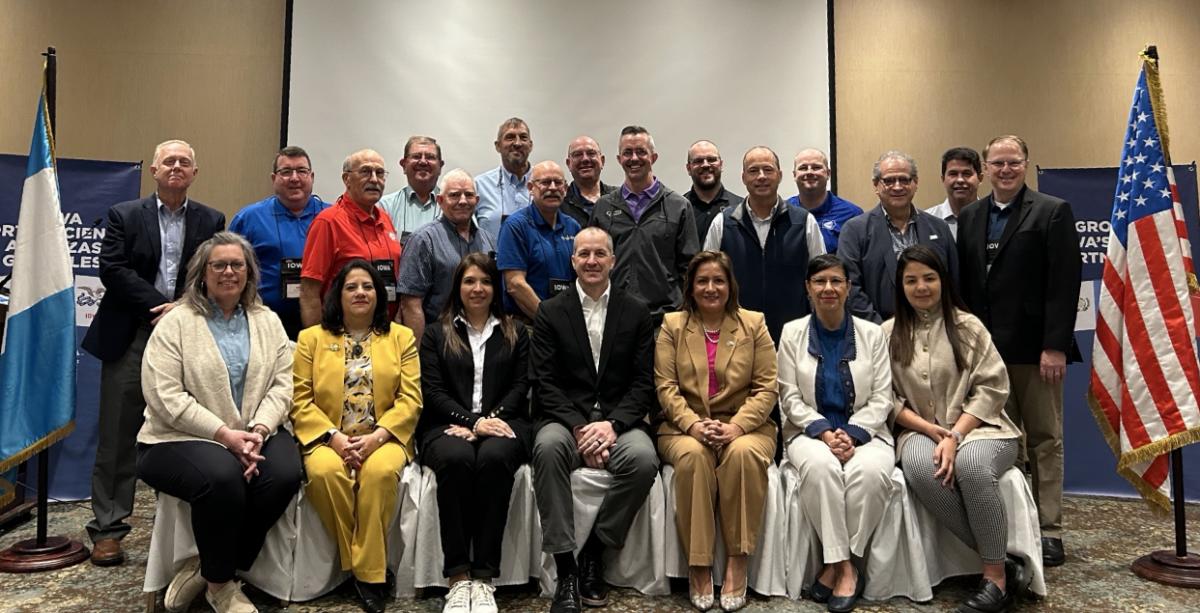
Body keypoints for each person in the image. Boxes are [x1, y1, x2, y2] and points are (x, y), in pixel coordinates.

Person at [136, 232, 301, 613]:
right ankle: (221, 587)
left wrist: (259, 430)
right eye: (219, 265)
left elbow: (282, 384)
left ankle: (208, 568)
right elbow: (165, 396)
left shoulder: (267, 320)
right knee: (223, 478)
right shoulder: (176, 322)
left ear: (249, 272)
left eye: (237, 265)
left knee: (285, 475)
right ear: (202, 272)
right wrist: (225, 435)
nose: (229, 272)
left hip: (255, 431)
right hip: (175, 437)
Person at [81, 139, 225, 566]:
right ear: (155, 171)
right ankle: (108, 529)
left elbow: (213, 270)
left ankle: (186, 534)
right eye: (169, 162)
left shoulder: (211, 218)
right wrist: (157, 306)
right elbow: (113, 268)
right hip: (132, 335)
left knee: (189, 429)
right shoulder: (124, 215)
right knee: (118, 434)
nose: (176, 167)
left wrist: (181, 307)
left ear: (194, 173)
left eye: (185, 162)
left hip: (186, 337)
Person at [956, 135, 1081, 567]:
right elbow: (967, 287)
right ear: (985, 168)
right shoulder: (970, 216)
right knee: (1000, 444)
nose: (1005, 170)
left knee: (1045, 439)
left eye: (1013, 162)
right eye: (997, 163)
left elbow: (1065, 285)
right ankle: (1012, 525)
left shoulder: (1052, 211)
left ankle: (1049, 530)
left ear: (1025, 164)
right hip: (985, 355)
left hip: (1035, 351)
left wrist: (1055, 346)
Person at [883, 245, 1026, 613]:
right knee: (919, 467)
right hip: (917, 429)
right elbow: (886, 397)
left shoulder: (968, 326)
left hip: (983, 428)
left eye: (929, 278)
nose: (921, 287)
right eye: (911, 280)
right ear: (900, 286)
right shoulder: (887, 333)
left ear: (943, 282)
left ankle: (994, 578)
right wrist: (934, 433)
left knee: (971, 466)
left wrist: (956, 435)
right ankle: (1001, 557)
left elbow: (993, 388)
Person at [530, 227, 660, 613]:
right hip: (566, 420)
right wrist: (581, 427)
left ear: (613, 261)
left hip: (620, 422)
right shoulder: (551, 312)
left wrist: (614, 425)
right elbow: (545, 382)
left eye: (599, 254)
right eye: (583, 254)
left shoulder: (636, 310)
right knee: (548, 448)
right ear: (573, 261)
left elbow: (643, 382)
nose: (591, 261)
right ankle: (567, 568)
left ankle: (595, 553)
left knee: (642, 461)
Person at [292, 260, 423, 613]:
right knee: (324, 473)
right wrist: (333, 438)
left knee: (379, 474)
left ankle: (363, 575)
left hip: (385, 437)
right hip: (327, 439)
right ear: (338, 294)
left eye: (368, 286)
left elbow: (411, 399)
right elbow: (300, 401)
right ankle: (367, 571)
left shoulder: (401, 337)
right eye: (351, 287)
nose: (360, 293)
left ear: (379, 295)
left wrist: (378, 437)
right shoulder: (311, 340)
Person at [655, 251, 778, 612]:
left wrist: (736, 426)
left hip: (746, 425)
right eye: (702, 281)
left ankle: (738, 563)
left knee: (741, 454)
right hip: (684, 426)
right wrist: (694, 424)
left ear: (730, 286)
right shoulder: (672, 325)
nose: (711, 288)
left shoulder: (753, 324)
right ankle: (699, 565)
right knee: (693, 458)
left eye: (718, 281)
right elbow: (666, 387)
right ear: (691, 288)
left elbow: (767, 388)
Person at [777, 254, 894, 613]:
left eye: (836, 281)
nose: (828, 288)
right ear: (808, 289)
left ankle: (834, 565)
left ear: (848, 287)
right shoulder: (791, 332)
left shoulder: (873, 334)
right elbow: (789, 396)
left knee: (870, 474)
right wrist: (826, 433)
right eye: (820, 282)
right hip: (808, 433)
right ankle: (847, 569)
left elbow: (882, 396)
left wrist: (853, 435)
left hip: (866, 432)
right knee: (823, 470)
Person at [417, 253, 531, 613]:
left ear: (493, 287)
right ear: (458, 287)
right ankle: (458, 576)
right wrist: (472, 422)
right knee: (456, 458)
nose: (477, 288)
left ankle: (483, 577)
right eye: (469, 281)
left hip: (506, 421)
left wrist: (488, 421)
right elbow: (432, 392)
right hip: (445, 424)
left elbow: (521, 386)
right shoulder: (437, 333)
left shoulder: (516, 331)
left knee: (495, 458)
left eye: (484, 281)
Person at [704, 146, 826, 343]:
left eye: (768, 170)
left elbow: (820, 280)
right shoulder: (723, 223)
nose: (761, 176)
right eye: (753, 171)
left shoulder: (804, 222)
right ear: (743, 178)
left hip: (794, 338)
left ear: (780, 175)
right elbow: (707, 281)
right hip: (735, 336)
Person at [591, 125, 699, 326]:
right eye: (627, 153)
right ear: (619, 159)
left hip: (665, 320)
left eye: (641, 151)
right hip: (614, 318)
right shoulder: (603, 207)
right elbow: (592, 263)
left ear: (654, 157)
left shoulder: (678, 206)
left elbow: (690, 268)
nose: (634, 158)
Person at [838, 150, 958, 323]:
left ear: (915, 182)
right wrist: (881, 331)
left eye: (904, 179)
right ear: (876, 185)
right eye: (889, 181)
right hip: (878, 335)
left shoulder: (939, 228)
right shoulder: (855, 231)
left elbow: (953, 282)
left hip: (935, 329)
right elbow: (850, 287)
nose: (897, 186)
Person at [229, 145, 329, 339]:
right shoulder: (248, 218)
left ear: (312, 177)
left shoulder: (332, 217)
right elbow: (230, 268)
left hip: (323, 323)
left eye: (301, 171)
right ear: (274, 179)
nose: (294, 178)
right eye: (286, 172)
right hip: (264, 326)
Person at [300, 149, 402, 326]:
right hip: (340, 334)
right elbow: (309, 292)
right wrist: (317, 344)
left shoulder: (385, 219)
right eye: (365, 172)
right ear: (346, 179)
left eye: (379, 173)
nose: (374, 179)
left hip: (384, 334)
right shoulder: (328, 222)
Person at [397, 168, 496, 340]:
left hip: (483, 340)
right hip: (439, 342)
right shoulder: (423, 240)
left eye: (469, 195)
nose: (463, 201)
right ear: (440, 201)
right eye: (455, 195)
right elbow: (411, 304)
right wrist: (418, 355)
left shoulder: (489, 241)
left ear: (477, 200)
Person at [497, 160, 581, 319]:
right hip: (528, 324)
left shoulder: (573, 227)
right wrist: (548, 321)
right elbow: (515, 284)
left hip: (567, 321)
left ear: (565, 189)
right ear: (530, 188)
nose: (553, 188)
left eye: (558, 183)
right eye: (545, 182)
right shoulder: (515, 226)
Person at [786, 148, 862, 252]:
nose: (809, 172)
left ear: (828, 173)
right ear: (794, 175)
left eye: (816, 167)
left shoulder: (852, 215)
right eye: (803, 168)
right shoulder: (783, 212)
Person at [378, 135, 445, 245]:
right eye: (416, 156)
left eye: (430, 157)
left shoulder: (454, 207)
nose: (423, 162)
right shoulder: (384, 207)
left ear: (440, 166)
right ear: (404, 165)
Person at [476, 118, 533, 242]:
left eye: (523, 137)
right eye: (510, 137)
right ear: (498, 146)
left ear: (530, 145)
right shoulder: (479, 186)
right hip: (493, 260)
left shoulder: (547, 184)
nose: (517, 143)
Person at [683, 140, 743, 242]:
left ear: (721, 164)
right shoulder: (679, 209)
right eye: (698, 161)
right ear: (688, 168)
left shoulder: (740, 208)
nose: (705, 165)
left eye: (711, 159)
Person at [926, 147, 982, 240]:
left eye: (967, 173)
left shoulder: (993, 218)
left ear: (980, 178)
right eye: (953, 174)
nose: (960, 180)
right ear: (943, 179)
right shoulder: (926, 221)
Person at [561, 136, 617, 227]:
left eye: (591, 153)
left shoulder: (620, 199)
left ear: (602, 161)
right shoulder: (559, 204)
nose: (585, 159)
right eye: (578, 154)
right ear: (568, 164)